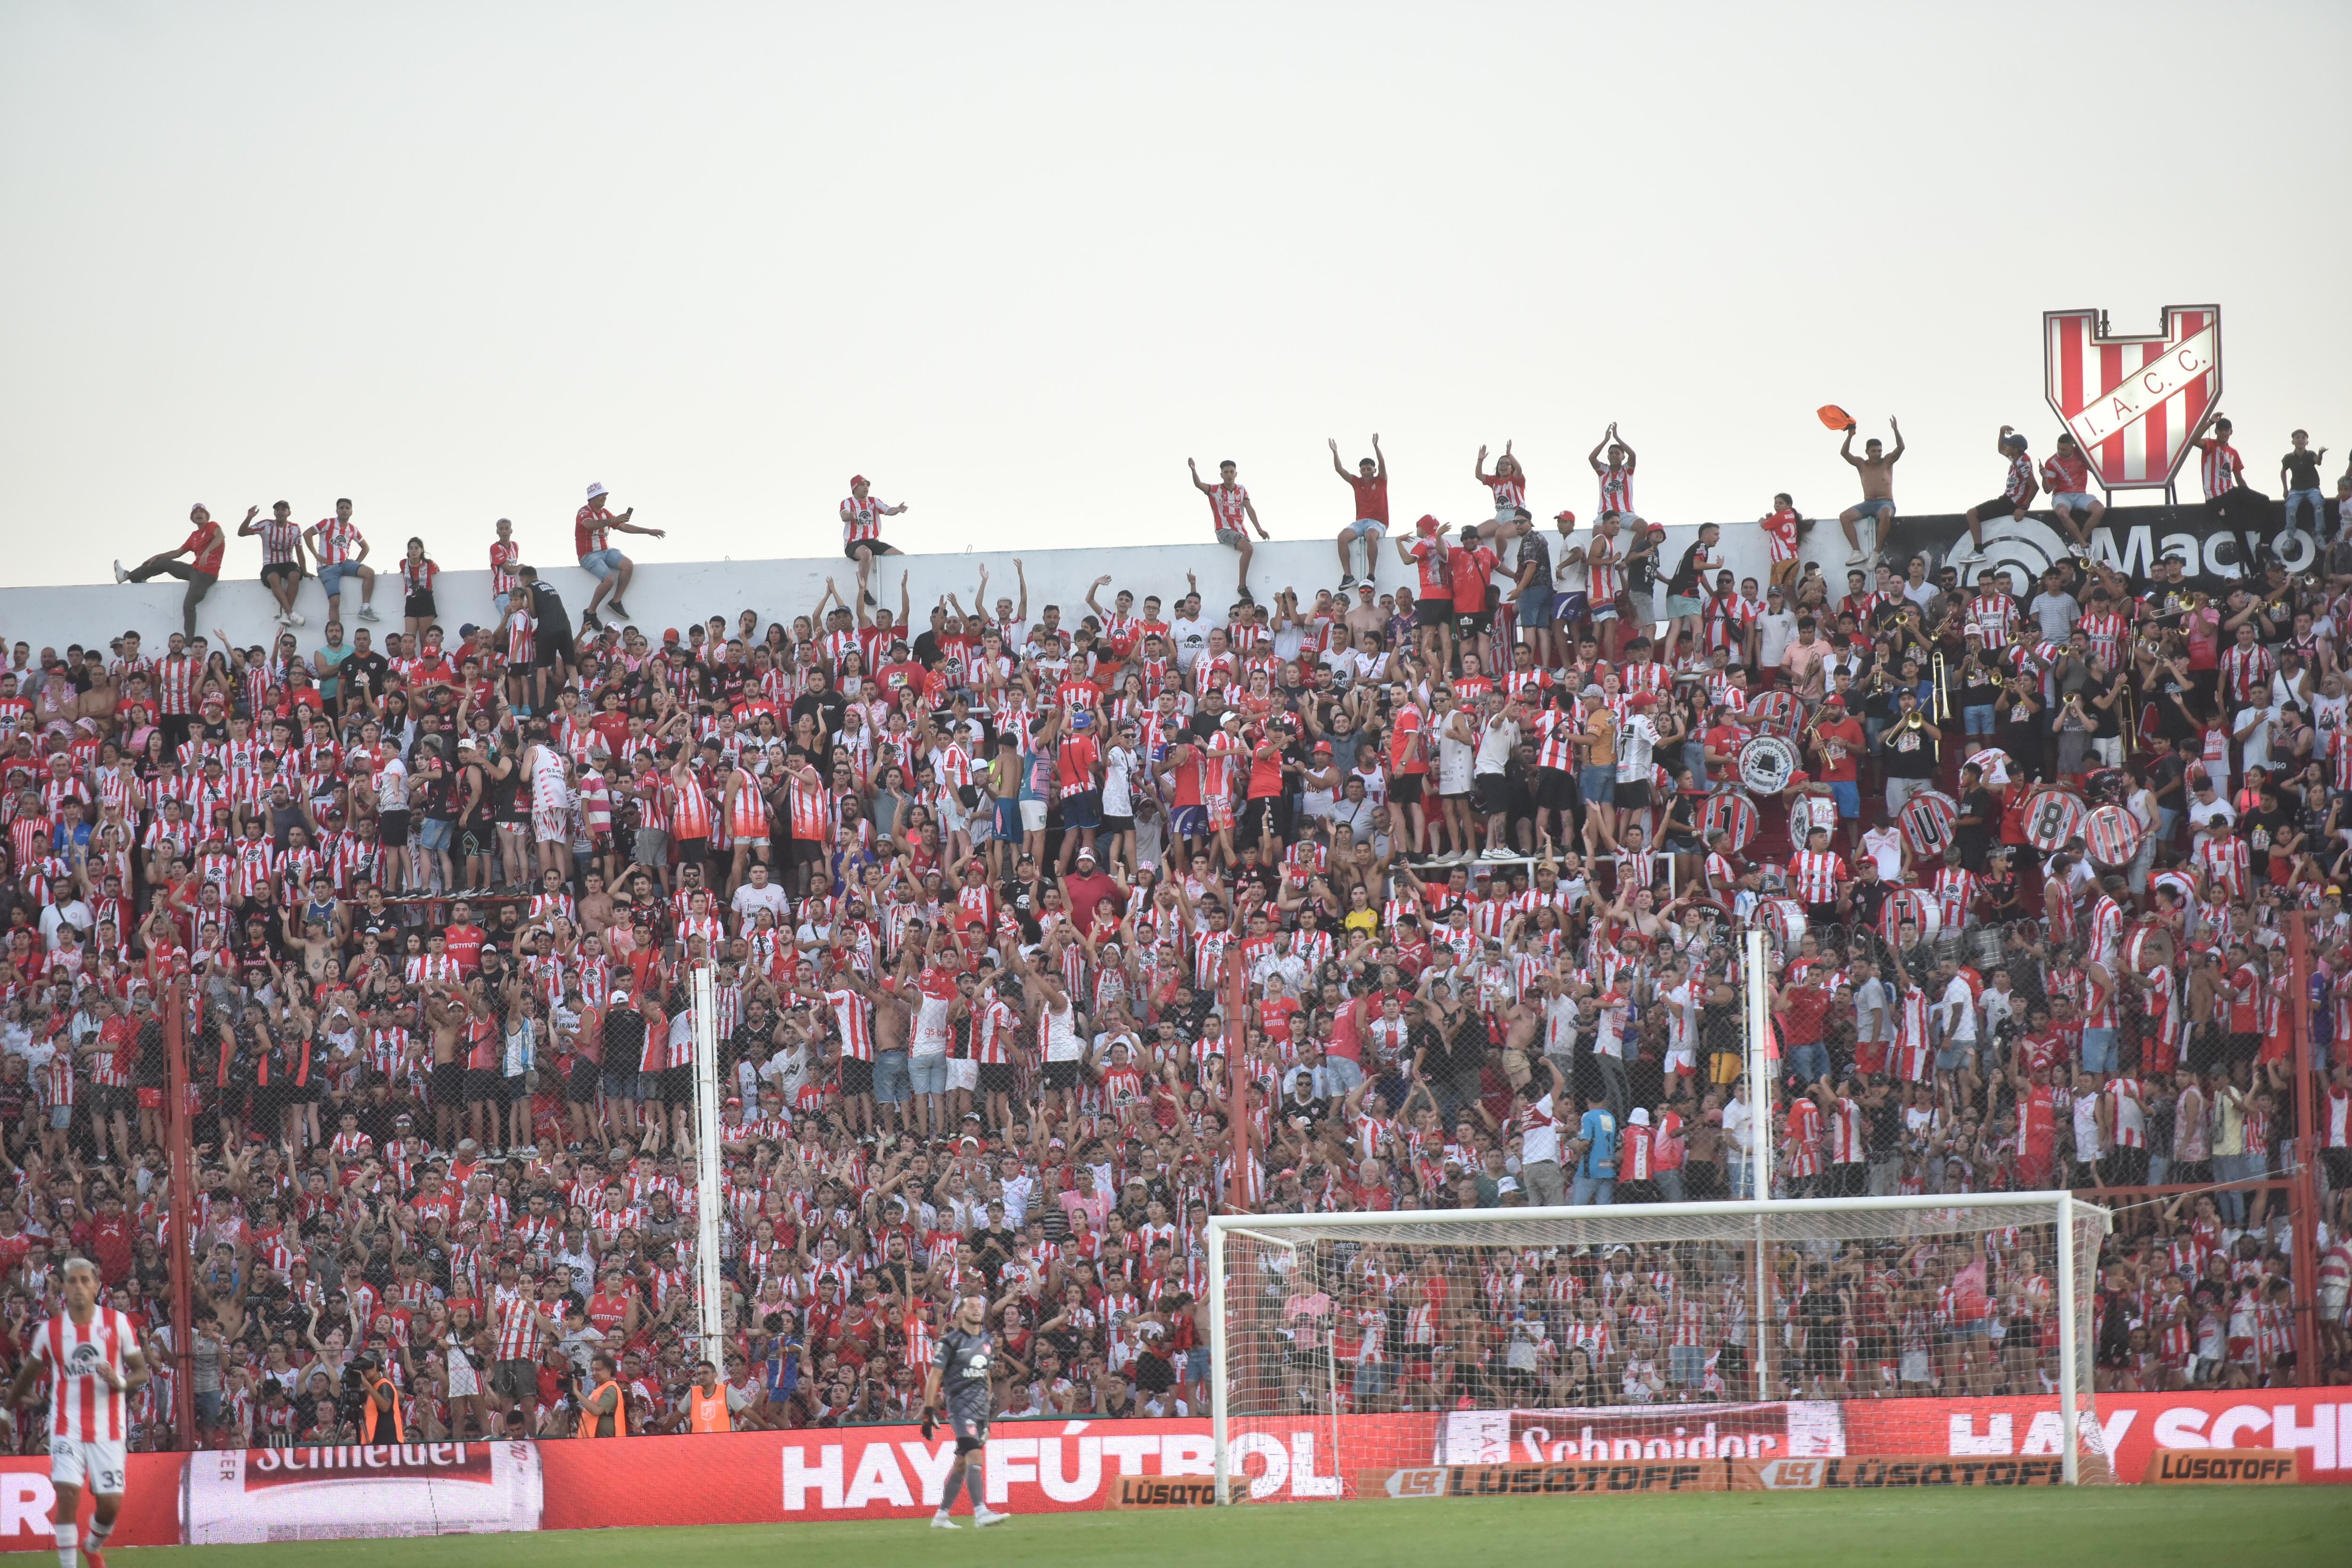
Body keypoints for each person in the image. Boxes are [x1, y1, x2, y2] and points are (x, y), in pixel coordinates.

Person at [7, 1257, 150, 1568]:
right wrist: (6, 1412)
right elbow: (28, 1373)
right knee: (68, 1494)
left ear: (97, 1286)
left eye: (86, 1280)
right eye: (73, 1280)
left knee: (110, 1505)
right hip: (66, 1425)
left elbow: (142, 1372)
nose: (79, 1286)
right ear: (63, 1287)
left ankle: (92, 1545)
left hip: (109, 1428)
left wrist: (120, 1380)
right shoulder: (50, 1330)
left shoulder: (117, 1323)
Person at [923, 1292, 1011, 1529]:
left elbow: (987, 1376)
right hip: (960, 1407)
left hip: (981, 1409)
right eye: (970, 1306)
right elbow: (935, 1377)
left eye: (979, 1306)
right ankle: (980, 1512)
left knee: (961, 1463)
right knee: (975, 1454)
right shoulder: (950, 1342)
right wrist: (928, 1410)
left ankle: (941, 1516)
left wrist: (988, 1409)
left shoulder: (987, 1341)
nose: (976, 1309)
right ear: (961, 1313)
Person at [117, 503, 243, 637]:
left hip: (207, 575)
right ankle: (129, 576)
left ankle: (189, 643)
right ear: (192, 518)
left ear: (207, 516)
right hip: (194, 570)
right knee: (163, 562)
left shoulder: (213, 526)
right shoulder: (194, 535)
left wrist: (207, 552)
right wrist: (158, 556)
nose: (199, 514)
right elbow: (178, 553)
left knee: (188, 605)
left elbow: (221, 537)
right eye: (196, 513)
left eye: (202, 512)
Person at [575, 481, 664, 627]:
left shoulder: (605, 513)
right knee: (609, 580)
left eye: (605, 495)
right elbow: (590, 525)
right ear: (592, 498)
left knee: (628, 565)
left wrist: (649, 531)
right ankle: (591, 612)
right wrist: (613, 520)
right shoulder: (584, 512)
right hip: (588, 554)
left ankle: (616, 601)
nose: (604, 497)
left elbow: (623, 527)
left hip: (605, 551)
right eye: (600, 495)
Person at [1188, 457, 1268, 602]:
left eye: (1232, 472)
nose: (1229, 475)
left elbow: (1249, 508)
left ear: (1236, 474)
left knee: (1249, 549)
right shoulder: (1216, 489)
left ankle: (1242, 585)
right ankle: (1242, 586)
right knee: (1248, 549)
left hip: (1240, 531)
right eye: (1226, 472)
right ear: (1222, 475)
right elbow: (1199, 485)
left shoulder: (1242, 490)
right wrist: (1194, 470)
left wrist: (1259, 529)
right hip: (1223, 529)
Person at [1959, 426, 2039, 562]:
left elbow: (2035, 487)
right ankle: (1978, 551)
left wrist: (2024, 508)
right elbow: (2001, 449)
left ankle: (1978, 551)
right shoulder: (2016, 457)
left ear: (2015, 449)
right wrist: (2002, 432)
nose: (2006, 446)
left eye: (2009, 445)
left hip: (2012, 502)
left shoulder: (2022, 464)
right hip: (2007, 499)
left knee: (1972, 514)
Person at [1834, 416, 1903, 565]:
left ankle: (1876, 553)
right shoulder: (1862, 464)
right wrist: (1850, 436)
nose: (1878, 454)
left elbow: (1901, 448)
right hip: (1868, 503)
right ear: (1867, 452)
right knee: (1845, 516)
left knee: (1886, 515)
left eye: (1880, 451)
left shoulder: (1887, 461)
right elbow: (1844, 453)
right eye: (1874, 451)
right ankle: (1857, 552)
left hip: (1885, 503)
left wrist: (1895, 430)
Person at [304, 497, 381, 625]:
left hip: (344, 564)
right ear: (337, 511)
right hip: (327, 567)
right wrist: (316, 555)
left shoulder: (353, 529)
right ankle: (335, 632)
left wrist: (357, 562)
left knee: (369, 573)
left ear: (352, 512)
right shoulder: (328, 523)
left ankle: (365, 608)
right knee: (335, 601)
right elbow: (307, 534)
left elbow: (365, 547)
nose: (344, 511)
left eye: (347, 508)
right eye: (342, 508)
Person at [841, 474, 910, 609]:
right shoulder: (848, 502)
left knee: (899, 555)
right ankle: (864, 590)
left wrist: (897, 509)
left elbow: (887, 510)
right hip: (854, 542)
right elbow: (843, 514)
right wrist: (849, 515)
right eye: (862, 485)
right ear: (855, 488)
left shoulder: (873, 501)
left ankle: (900, 588)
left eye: (867, 484)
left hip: (873, 541)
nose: (866, 487)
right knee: (867, 553)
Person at [1330, 434, 1388, 587]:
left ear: (1374, 470)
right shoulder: (1357, 482)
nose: (1366, 471)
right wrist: (1335, 452)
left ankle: (1371, 574)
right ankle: (1348, 576)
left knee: (1371, 535)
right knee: (1342, 537)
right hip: (1360, 523)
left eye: (1369, 469)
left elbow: (1382, 464)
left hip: (1378, 523)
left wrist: (1376, 447)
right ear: (1360, 471)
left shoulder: (1380, 481)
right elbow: (1339, 469)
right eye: (1363, 469)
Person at [242, 500, 310, 628]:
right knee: (273, 578)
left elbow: (300, 551)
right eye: (278, 509)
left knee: (295, 576)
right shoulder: (266, 525)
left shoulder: (295, 528)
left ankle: (286, 615)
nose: (280, 512)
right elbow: (242, 533)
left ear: (289, 513)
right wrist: (249, 518)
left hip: (288, 562)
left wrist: (305, 571)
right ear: (274, 512)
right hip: (270, 563)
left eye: (284, 509)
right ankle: (290, 613)